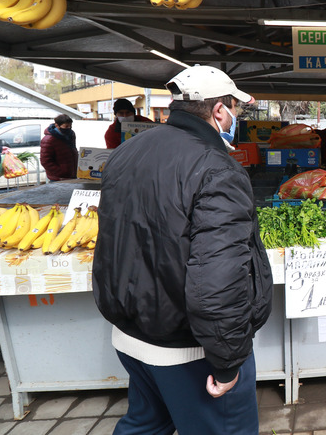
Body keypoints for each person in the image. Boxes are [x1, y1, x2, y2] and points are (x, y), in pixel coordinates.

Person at [92, 64, 273, 435]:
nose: (234, 118)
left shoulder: (129, 151)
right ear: (219, 110)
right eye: (234, 110)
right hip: (188, 349)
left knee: (146, 425)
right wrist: (226, 362)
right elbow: (218, 280)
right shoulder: (216, 168)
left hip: (131, 335)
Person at [39, 114, 78, 181]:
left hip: (72, 174)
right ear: (57, 125)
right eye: (66, 126)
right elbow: (45, 161)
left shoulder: (71, 134)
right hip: (58, 178)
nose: (69, 128)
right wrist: (60, 172)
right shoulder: (48, 140)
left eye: (70, 126)